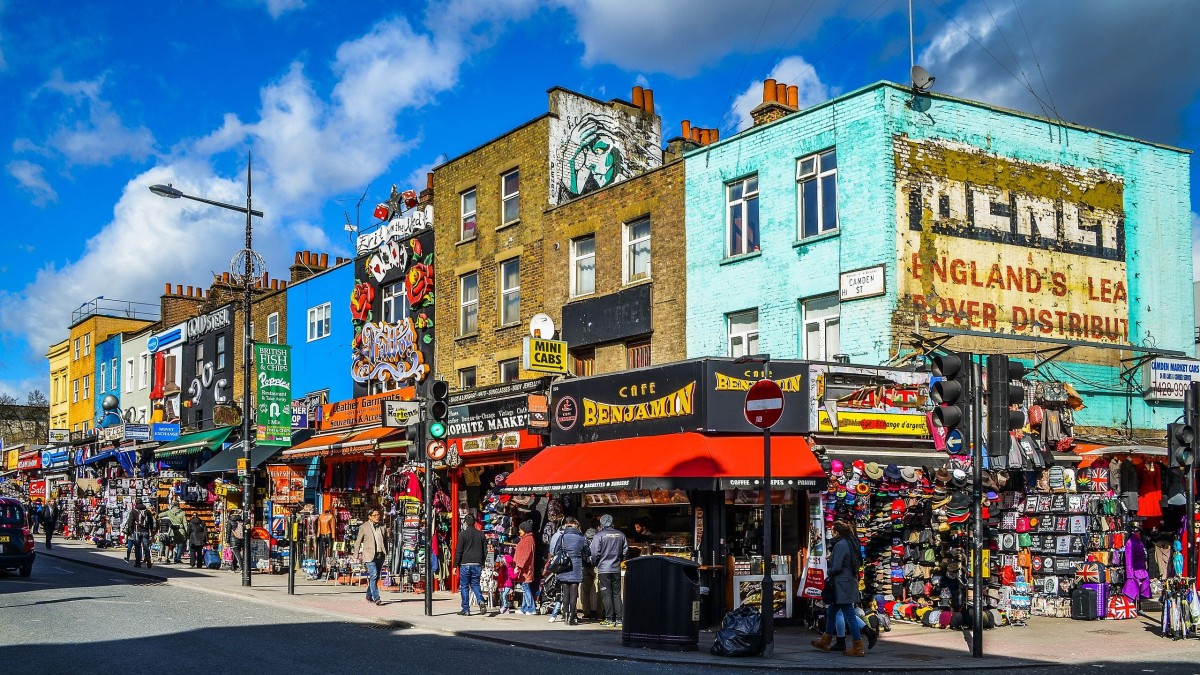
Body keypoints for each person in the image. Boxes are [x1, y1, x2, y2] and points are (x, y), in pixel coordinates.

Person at [811, 520, 865, 657]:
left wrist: (828, 570)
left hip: (842, 585)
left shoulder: (840, 545)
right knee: (831, 611)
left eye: (832, 531)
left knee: (850, 616)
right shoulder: (849, 542)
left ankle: (858, 647)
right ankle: (826, 640)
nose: (831, 533)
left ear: (837, 532)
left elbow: (837, 567)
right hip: (845, 583)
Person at [552, 517, 590, 626]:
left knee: (565, 592)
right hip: (576, 566)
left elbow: (555, 551)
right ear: (577, 527)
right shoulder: (581, 538)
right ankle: (572, 617)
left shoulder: (562, 536)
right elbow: (588, 552)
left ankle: (565, 615)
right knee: (574, 593)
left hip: (564, 566)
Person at [593, 513, 629, 627]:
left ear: (601, 523)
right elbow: (625, 552)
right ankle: (619, 619)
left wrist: (596, 563)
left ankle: (609, 619)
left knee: (606, 594)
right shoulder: (621, 535)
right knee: (617, 594)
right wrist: (620, 560)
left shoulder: (599, 535)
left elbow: (594, 553)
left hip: (604, 568)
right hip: (616, 568)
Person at [455, 514, 487, 616]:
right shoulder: (481, 534)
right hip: (477, 563)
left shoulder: (462, 534)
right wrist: (482, 562)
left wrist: (455, 566)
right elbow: (485, 551)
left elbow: (458, 551)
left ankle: (466, 609)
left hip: (465, 563)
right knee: (475, 584)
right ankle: (481, 600)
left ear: (465, 522)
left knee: (464, 586)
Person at [354, 509, 388, 605]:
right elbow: (358, 542)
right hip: (369, 555)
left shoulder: (382, 526)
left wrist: (386, 552)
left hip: (380, 554)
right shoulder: (363, 527)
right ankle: (376, 597)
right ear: (369, 516)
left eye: (378, 515)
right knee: (374, 574)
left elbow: (385, 541)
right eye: (375, 515)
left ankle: (368, 595)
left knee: (375, 577)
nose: (377, 516)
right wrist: (355, 555)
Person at [513, 519, 537, 615]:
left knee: (525, 587)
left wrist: (518, 566)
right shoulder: (527, 539)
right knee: (525, 587)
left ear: (525, 530)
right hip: (525, 568)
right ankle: (524, 607)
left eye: (521, 529)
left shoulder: (527, 540)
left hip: (525, 569)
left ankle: (531, 608)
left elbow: (525, 555)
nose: (519, 531)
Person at [123, 499, 154, 568]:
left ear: (136, 504)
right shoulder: (147, 512)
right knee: (146, 546)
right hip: (145, 531)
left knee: (137, 547)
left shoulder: (134, 511)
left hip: (136, 531)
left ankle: (138, 563)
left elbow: (130, 522)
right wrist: (151, 530)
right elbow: (151, 522)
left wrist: (131, 532)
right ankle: (148, 557)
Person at [580, 528, 601, 621]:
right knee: (599, 591)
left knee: (585, 591)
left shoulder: (583, 538)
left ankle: (586, 612)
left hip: (585, 567)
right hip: (596, 567)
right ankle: (600, 613)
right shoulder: (598, 538)